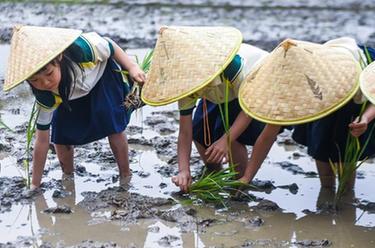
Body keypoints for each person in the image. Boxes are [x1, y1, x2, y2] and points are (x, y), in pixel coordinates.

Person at [141, 26, 282, 192]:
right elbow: (185, 132)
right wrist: (183, 170)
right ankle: (214, 172)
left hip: (254, 86)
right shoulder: (185, 86)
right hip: (218, 92)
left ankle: (240, 183)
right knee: (199, 131)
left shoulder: (231, 66)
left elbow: (248, 109)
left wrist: (225, 140)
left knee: (232, 135)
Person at [3, 25, 146, 189]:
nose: (45, 82)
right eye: (35, 81)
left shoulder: (82, 49)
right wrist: (35, 184)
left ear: (60, 57)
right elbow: (42, 140)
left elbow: (109, 45)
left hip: (101, 78)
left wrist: (132, 67)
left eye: (49, 73)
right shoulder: (45, 93)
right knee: (61, 133)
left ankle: (125, 173)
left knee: (113, 125)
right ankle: (68, 176)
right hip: (66, 93)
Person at [291, 37, 375, 189]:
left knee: (348, 147)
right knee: (320, 140)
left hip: (355, 110)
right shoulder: (315, 68)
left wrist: (365, 119)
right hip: (321, 101)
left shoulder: (369, 67)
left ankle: (346, 191)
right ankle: (327, 189)